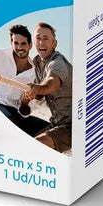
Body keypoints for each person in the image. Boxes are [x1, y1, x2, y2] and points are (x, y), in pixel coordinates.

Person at [0, 25, 50, 136]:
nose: (19, 47)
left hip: (14, 113)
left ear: (30, 45)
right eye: (16, 43)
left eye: (23, 44)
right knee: (8, 120)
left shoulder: (35, 75)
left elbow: (24, 112)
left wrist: (25, 101)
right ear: (11, 43)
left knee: (49, 129)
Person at [21, 22, 72, 153]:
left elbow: (51, 84)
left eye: (46, 39)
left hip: (74, 125)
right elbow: (40, 93)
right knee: (26, 143)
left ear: (54, 43)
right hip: (57, 123)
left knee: (38, 144)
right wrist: (29, 96)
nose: (41, 43)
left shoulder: (57, 63)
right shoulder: (38, 63)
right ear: (34, 42)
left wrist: (37, 88)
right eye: (38, 38)